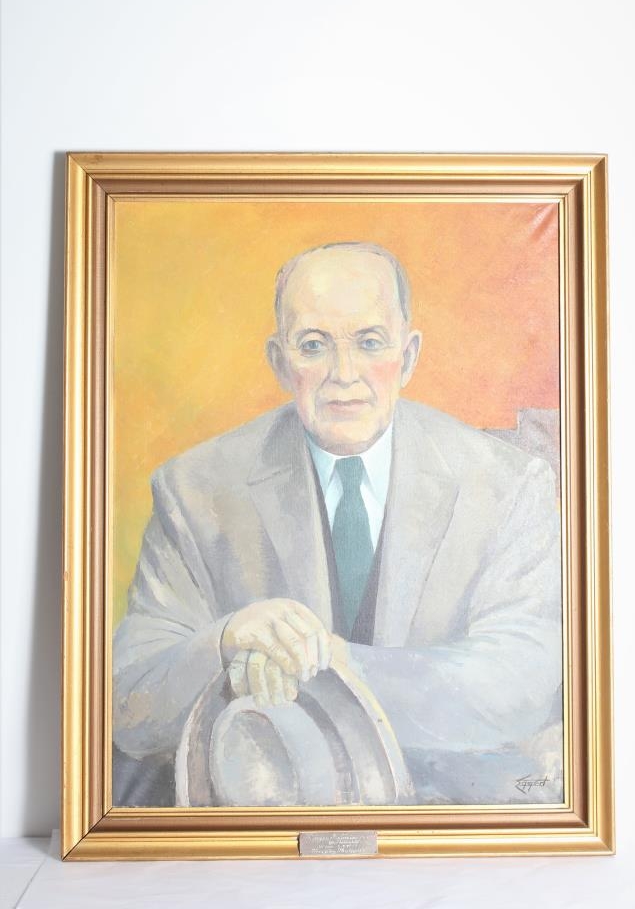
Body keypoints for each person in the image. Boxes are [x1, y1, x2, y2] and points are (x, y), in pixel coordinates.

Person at [113, 241, 563, 806]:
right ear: (279, 361)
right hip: (263, 816)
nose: (343, 374)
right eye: (313, 346)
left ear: (409, 355)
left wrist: (339, 668)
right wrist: (225, 643)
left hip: (444, 821)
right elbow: (127, 699)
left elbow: (526, 679)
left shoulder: (507, 484)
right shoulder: (194, 489)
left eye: (369, 342)